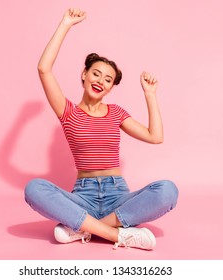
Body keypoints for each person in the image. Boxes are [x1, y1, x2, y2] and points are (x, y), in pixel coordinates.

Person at [25, 8, 178, 250]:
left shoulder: (116, 112)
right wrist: (65, 24)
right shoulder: (68, 112)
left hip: (118, 195)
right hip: (81, 197)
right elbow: (44, 69)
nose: (100, 81)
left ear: (110, 88)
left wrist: (150, 95)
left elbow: (155, 136)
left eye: (108, 80)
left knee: (167, 191)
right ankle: (118, 235)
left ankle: (83, 228)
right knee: (34, 189)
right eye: (96, 74)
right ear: (84, 75)